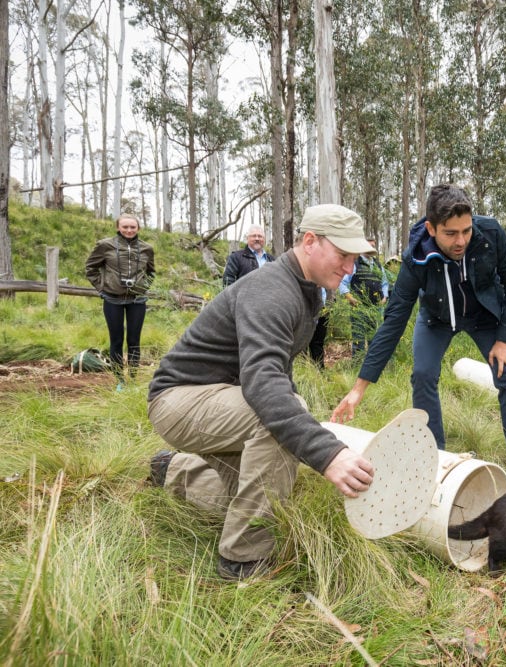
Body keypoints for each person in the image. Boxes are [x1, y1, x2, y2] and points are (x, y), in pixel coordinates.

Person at [146, 204, 376, 581]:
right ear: (310, 242)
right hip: (180, 400)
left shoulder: (308, 293)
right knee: (278, 422)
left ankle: (172, 470)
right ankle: (243, 561)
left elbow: (277, 371)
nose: (350, 268)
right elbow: (265, 384)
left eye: (355, 258)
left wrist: (302, 438)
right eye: (343, 255)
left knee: (262, 496)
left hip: (223, 400)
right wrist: (328, 454)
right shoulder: (271, 290)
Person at [333, 184, 506, 461]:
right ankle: (435, 456)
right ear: (431, 228)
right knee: (423, 374)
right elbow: (394, 321)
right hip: (436, 318)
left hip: (484, 315)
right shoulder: (415, 258)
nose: (461, 241)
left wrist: (505, 340)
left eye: (466, 230)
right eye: (450, 233)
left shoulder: (491, 233)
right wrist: (359, 388)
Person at [85, 214, 155, 390]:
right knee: (116, 340)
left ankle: (132, 378)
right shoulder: (105, 245)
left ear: (138, 228)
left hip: (137, 300)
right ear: (118, 228)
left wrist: (142, 287)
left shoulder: (147, 248)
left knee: (134, 340)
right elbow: (90, 268)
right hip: (112, 299)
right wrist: (103, 288)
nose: (129, 230)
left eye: (133, 227)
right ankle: (119, 380)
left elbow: (151, 272)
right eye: (125, 227)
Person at [339, 238, 389, 359]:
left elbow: (384, 283)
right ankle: (357, 365)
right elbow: (342, 282)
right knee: (358, 337)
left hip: (375, 308)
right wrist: (350, 297)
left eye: (373, 246)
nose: (371, 248)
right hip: (359, 308)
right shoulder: (355, 263)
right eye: (369, 245)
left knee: (374, 336)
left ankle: (371, 365)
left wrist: (385, 296)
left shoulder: (377, 265)